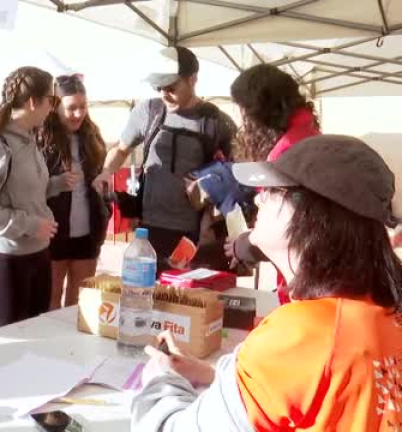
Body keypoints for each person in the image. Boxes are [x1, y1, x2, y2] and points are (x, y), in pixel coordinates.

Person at [131, 135, 402, 431]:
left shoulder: (305, 333)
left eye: (273, 190)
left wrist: (161, 379)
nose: (259, 198)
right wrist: (217, 376)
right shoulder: (380, 312)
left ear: (310, 216)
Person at [92, 46, 236, 274]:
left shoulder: (216, 121)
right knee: (146, 290)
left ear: (193, 80)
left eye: (171, 87)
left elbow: (235, 174)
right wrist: (106, 172)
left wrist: (209, 185)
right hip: (148, 229)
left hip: (195, 235)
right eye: (158, 87)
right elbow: (120, 150)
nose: (164, 94)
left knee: (189, 294)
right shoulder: (148, 111)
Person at [0, 66, 67, 331]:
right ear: (33, 102)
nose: (53, 108)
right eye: (51, 100)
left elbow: (23, 193)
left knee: (34, 340)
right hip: (5, 261)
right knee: (7, 346)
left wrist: (57, 184)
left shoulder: (29, 140)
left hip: (37, 254)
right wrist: (31, 225)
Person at [223, 64, 321, 302]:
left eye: (244, 111)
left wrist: (246, 244)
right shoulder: (308, 133)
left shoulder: (286, 152)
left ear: (259, 111)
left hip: (303, 277)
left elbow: (288, 225)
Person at [36, 74, 109, 310]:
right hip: (52, 234)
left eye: (83, 106)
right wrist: (55, 183)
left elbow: (101, 179)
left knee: (79, 306)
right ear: (55, 107)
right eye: (71, 108)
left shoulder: (93, 137)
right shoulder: (40, 139)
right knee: (50, 303)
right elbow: (29, 189)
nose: (79, 114)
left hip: (87, 235)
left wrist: (105, 196)